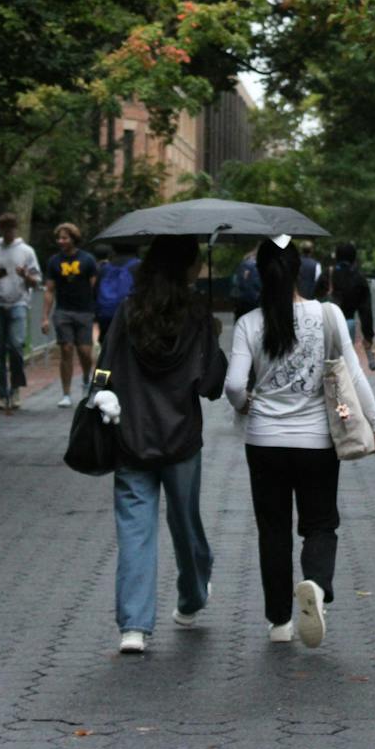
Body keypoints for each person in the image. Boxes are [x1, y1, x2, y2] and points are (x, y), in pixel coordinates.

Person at [224, 236, 375, 649]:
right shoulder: (327, 314)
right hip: (317, 441)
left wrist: (246, 405)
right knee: (320, 522)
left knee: (272, 530)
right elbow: (354, 374)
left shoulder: (248, 323)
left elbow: (233, 385)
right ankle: (315, 582)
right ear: (301, 270)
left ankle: (279, 621)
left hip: (264, 442)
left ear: (260, 273)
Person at [90, 235, 227, 655]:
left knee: (135, 530)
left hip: (131, 435)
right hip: (181, 437)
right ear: (188, 268)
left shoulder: (129, 312)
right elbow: (211, 386)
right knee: (185, 523)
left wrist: (101, 398)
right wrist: (213, 342)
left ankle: (134, 625)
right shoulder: (198, 316)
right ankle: (192, 594)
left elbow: (104, 370)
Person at [0, 213, 42, 413]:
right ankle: (2, 394)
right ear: (0, 230)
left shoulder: (26, 251)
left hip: (18, 302)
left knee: (16, 346)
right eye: (4, 229)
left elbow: (36, 281)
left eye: (11, 228)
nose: (8, 232)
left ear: (16, 229)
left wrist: (25, 275)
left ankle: (16, 389)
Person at [41, 222, 99, 408]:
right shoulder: (54, 262)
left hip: (84, 311)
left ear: (73, 239)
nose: (61, 241)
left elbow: (94, 287)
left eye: (64, 238)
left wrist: (96, 312)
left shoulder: (88, 260)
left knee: (85, 351)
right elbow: (49, 290)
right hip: (63, 311)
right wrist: (45, 317)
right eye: (59, 238)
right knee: (66, 349)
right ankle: (66, 393)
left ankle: (85, 378)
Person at [316, 242, 375, 372]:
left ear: (336, 256)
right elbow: (365, 310)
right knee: (345, 364)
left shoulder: (328, 274)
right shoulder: (359, 278)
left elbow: (314, 297)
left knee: (325, 362)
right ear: (354, 258)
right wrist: (368, 335)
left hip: (326, 322)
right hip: (348, 323)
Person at [94, 243, 140, 342]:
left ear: (114, 249)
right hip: (130, 316)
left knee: (108, 344)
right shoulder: (139, 266)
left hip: (106, 316)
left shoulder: (105, 268)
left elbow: (95, 292)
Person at [229, 246, 262, 319]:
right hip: (253, 300)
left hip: (241, 299)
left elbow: (235, 281)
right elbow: (256, 283)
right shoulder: (254, 265)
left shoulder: (242, 264)